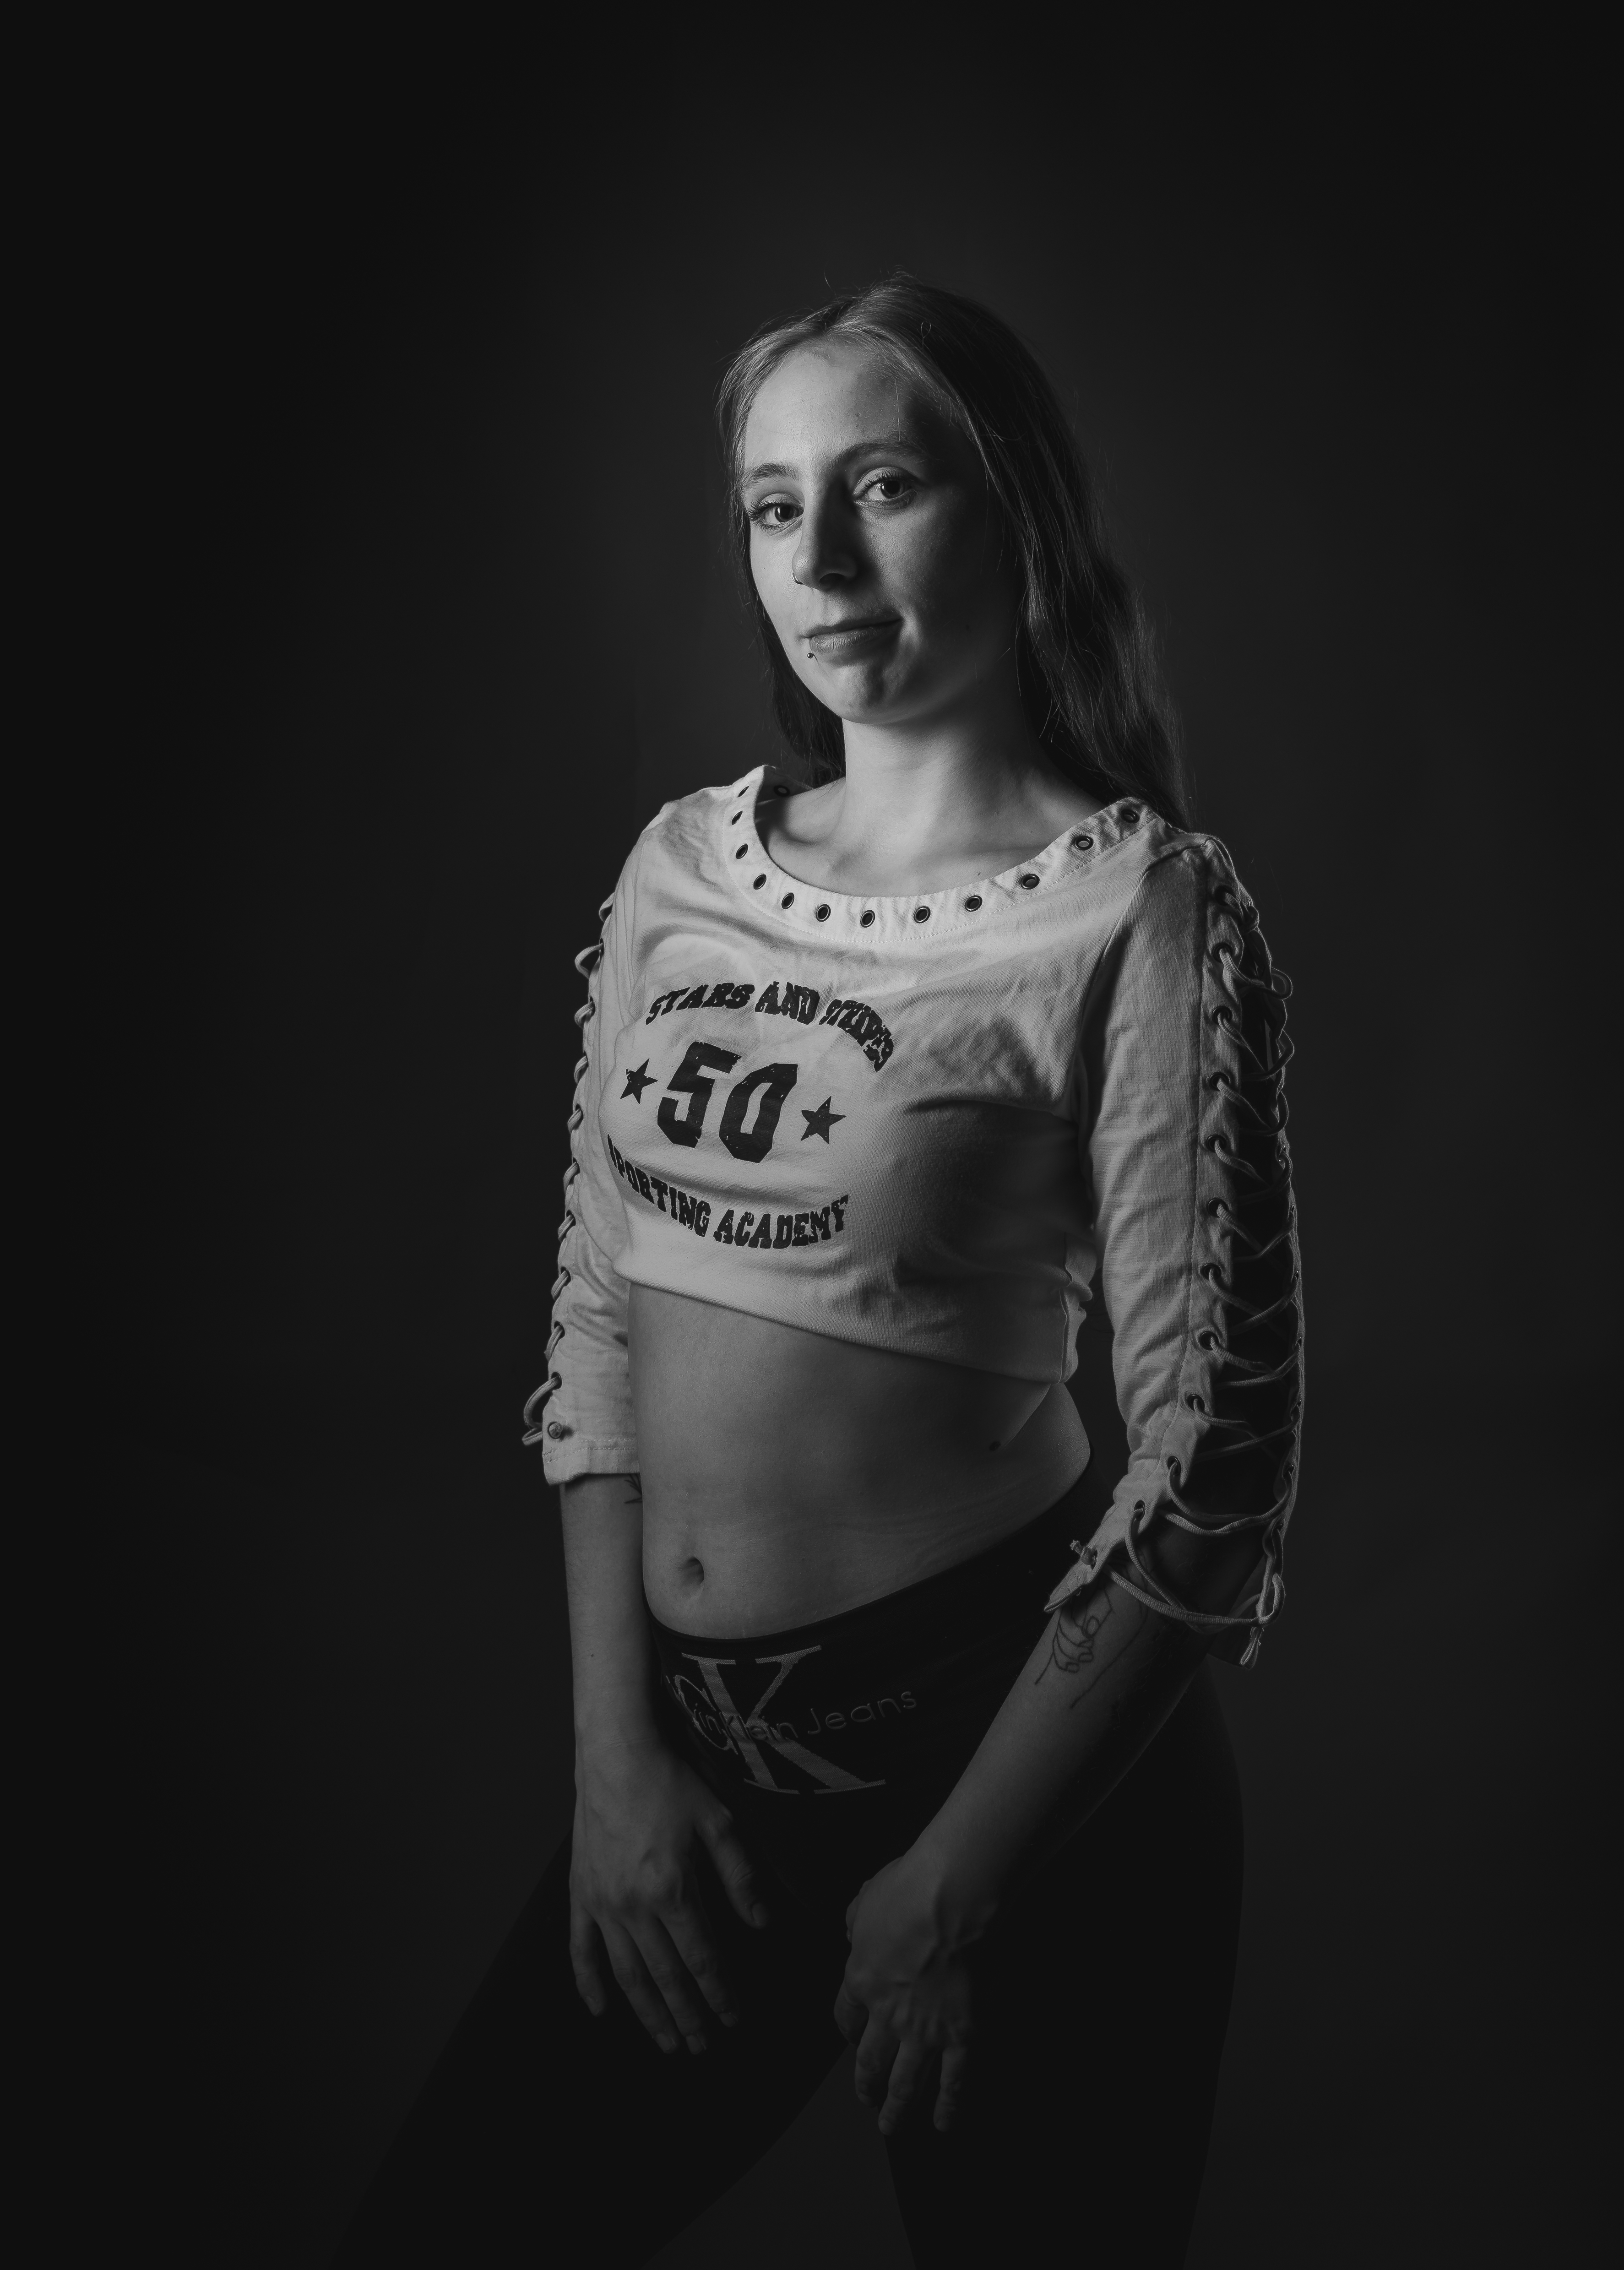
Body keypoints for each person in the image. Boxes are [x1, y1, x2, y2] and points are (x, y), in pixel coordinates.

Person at [337, 274, 1302, 2268]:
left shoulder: (1137, 912)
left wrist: (958, 1881)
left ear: (1017, 509)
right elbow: (598, 1327)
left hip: (1026, 1793)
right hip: (698, 1784)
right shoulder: (680, 867)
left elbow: (1213, 1458)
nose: (823, 561)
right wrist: (615, 1767)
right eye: (776, 507)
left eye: (883, 487)